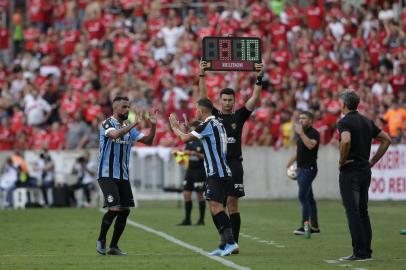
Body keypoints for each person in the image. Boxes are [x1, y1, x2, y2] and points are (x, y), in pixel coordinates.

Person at [198, 60, 265, 251]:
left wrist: (260, 76)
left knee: (232, 205)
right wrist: (201, 74)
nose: (227, 103)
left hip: (234, 165)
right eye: (224, 100)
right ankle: (225, 238)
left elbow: (255, 96)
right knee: (215, 204)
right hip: (217, 167)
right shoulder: (214, 116)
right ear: (220, 101)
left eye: (230, 100)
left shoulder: (239, 116)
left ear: (234, 101)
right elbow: (203, 97)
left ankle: (233, 243)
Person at [169, 98, 238, 257]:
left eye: (196, 109)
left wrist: (174, 128)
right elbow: (201, 136)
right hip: (220, 171)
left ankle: (230, 242)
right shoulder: (217, 123)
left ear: (202, 110)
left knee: (216, 208)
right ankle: (224, 244)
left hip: (217, 172)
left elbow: (184, 139)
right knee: (215, 208)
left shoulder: (208, 124)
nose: (195, 111)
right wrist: (188, 129)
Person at [96, 96, 157, 256]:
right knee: (114, 208)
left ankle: (114, 246)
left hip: (122, 175)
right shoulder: (107, 123)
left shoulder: (129, 128)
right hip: (106, 173)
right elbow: (114, 135)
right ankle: (101, 239)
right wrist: (134, 124)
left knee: (125, 210)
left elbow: (149, 141)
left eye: (128, 107)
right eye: (124, 107)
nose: (127, 109)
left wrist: (153, 125)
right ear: (115, 108)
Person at [337, 90, 391, 261]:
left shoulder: (344, 122)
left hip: (350, 170)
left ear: (344, 104)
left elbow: (345, 140)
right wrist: (372, 161)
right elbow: (386, 139)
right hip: (364, 171)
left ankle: (359, 252)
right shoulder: (367, 121)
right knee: (363, 211)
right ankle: (366, 251)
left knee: (353, 212)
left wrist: (341, 160)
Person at [286, 111, 321, 235]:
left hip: (309, 169)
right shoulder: (301, 134)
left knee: (302, 197)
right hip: (301, 169)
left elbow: (311, 145)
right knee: (309, 198)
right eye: (300, 118)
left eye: (304, 118)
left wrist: (301, 134)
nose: (301, 120)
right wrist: (289, 164)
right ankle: (315, 227)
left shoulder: (314, 133)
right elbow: (298, 151)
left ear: (310, 120)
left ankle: (305, 227)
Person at [177, 120, 206, 226]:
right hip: (189, 170)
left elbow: (206, 157)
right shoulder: (189, 141)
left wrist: (195, 153)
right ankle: (187, 219)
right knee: (186, 194)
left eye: (194, 128)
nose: (192, 131)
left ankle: (201, 219)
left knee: (200, 194)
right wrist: (180, 155)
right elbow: (183, 158)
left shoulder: (203, 141)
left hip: (199, 170)